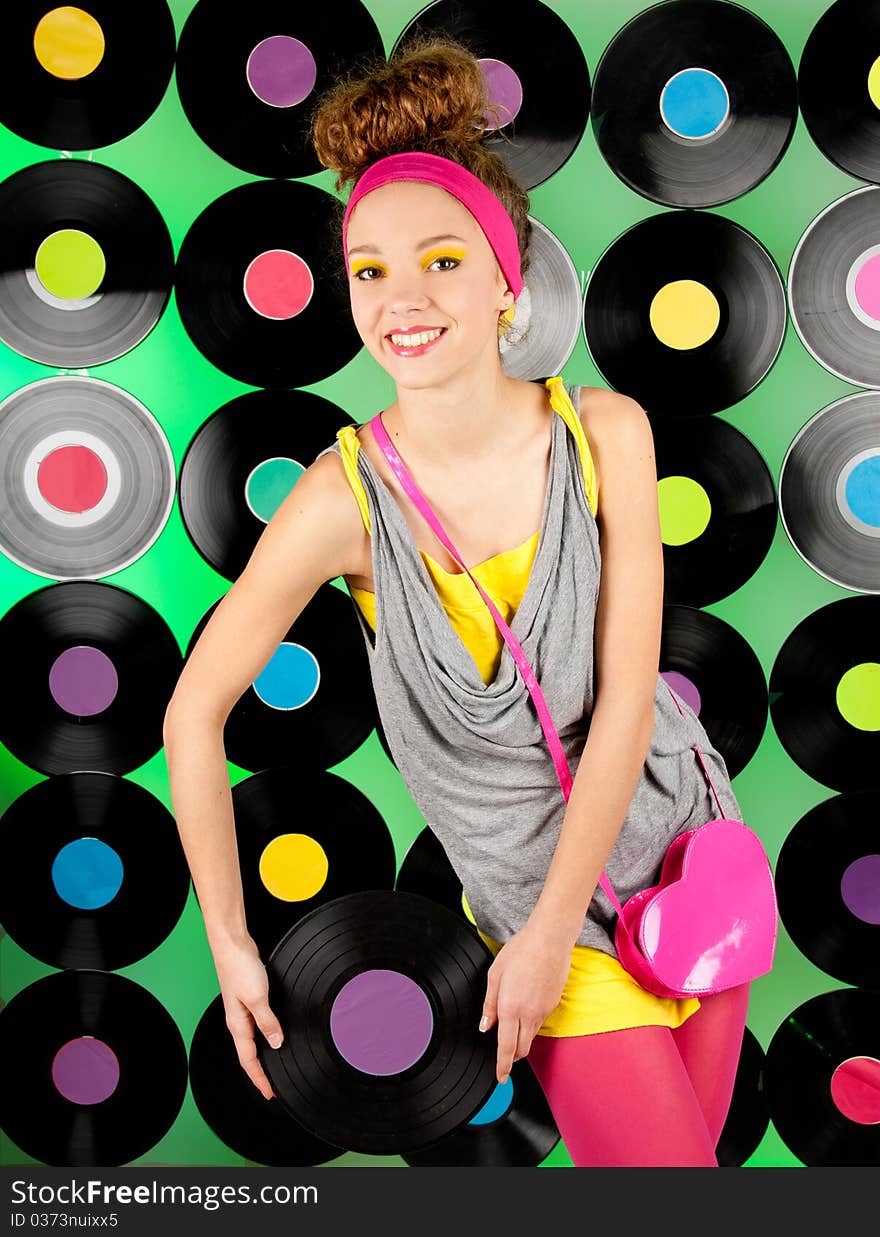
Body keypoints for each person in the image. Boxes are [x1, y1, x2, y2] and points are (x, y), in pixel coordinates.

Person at [163, 33, 750, 1168]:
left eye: (440, 259)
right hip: (546, 926)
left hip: (691, 855)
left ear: (505, 281)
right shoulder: (342, 500)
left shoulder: (607, 434)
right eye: (370, 271)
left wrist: (545, 932)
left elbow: (628, 699)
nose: (402, 299)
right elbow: (193, 715)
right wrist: (230, 941)